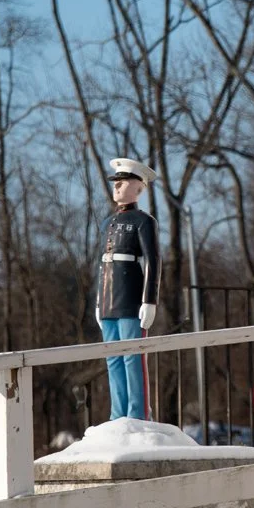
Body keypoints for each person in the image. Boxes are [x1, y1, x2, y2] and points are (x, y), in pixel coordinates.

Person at [95, 157, 161, 420]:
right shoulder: (109, 222)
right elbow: (103, 265)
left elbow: (154, 260)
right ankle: (117, 415)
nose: (117, 188)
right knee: (112, 358)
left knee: (133, 358)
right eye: (116, 183)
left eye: (123, 183)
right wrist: (98, 303)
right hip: (110, 298)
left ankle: (137, 414)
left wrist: (150, 300)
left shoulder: (144, 221)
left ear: (138, 187)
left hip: (132, 296)